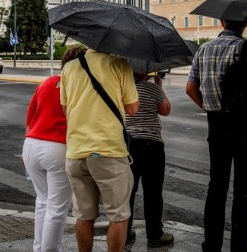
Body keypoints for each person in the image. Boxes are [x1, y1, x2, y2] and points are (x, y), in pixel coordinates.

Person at [186, 19, 247, 252]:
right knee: (244, 192)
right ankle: (239, 248)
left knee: (217, 187)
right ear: (244, 24)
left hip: (217, 125)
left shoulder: (204, 49)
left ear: (222, 21)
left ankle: (212, 245)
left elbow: (190, 88)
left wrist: (208, 108)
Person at [60, 48, 139, 252]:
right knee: (119, 216)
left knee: (83, 215)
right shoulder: (120, 64)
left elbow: (65, 109)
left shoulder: (69, 67)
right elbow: (132, 108)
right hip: (109, 150)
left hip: (76, 151)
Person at [22, 47, 85, 252]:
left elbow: (29, 119)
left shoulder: (47, 82)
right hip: (57, 147)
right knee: (57, 208)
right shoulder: (79, 87)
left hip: (31, 145)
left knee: (43, 201)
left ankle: (39, 248)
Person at [125, 72, 173, 248]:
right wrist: (160, 90)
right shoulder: (152, 88)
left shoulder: (122, 88)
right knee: (153, 192)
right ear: (145, 71)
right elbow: (165, 110)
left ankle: (124, 231)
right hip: (152, 146)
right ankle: (155, 235)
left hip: (129, 145)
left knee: (128, 192)